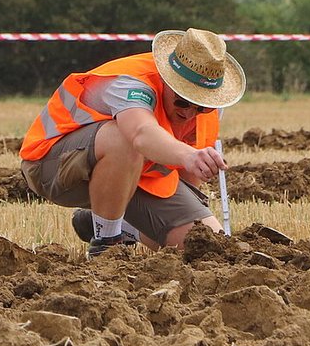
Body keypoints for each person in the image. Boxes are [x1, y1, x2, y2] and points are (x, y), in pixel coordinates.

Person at [20, 28, 246, 257]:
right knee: (123, 139)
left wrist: (190, 211)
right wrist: (189, 156)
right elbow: (141, 133)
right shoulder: (131, 83)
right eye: (182, 102)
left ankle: (118, 224)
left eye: (201, 107)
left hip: (136, 175)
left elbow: (189, 167)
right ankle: (107, 245)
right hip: (53, 166)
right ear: (167, 80)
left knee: (206, 247)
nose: (190, 113)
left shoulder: (211, 105)